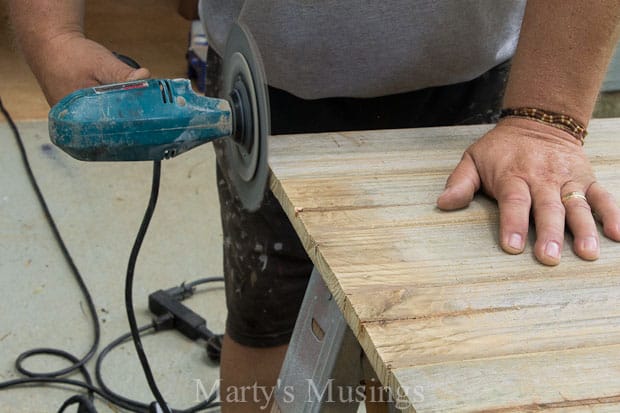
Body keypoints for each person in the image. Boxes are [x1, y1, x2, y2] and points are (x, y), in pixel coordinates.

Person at [9, 1, 620, 411]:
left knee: (423, 336)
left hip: (478, 83)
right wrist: (52, 36)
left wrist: (545, 120)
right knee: (268, 314)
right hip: (267, 79)